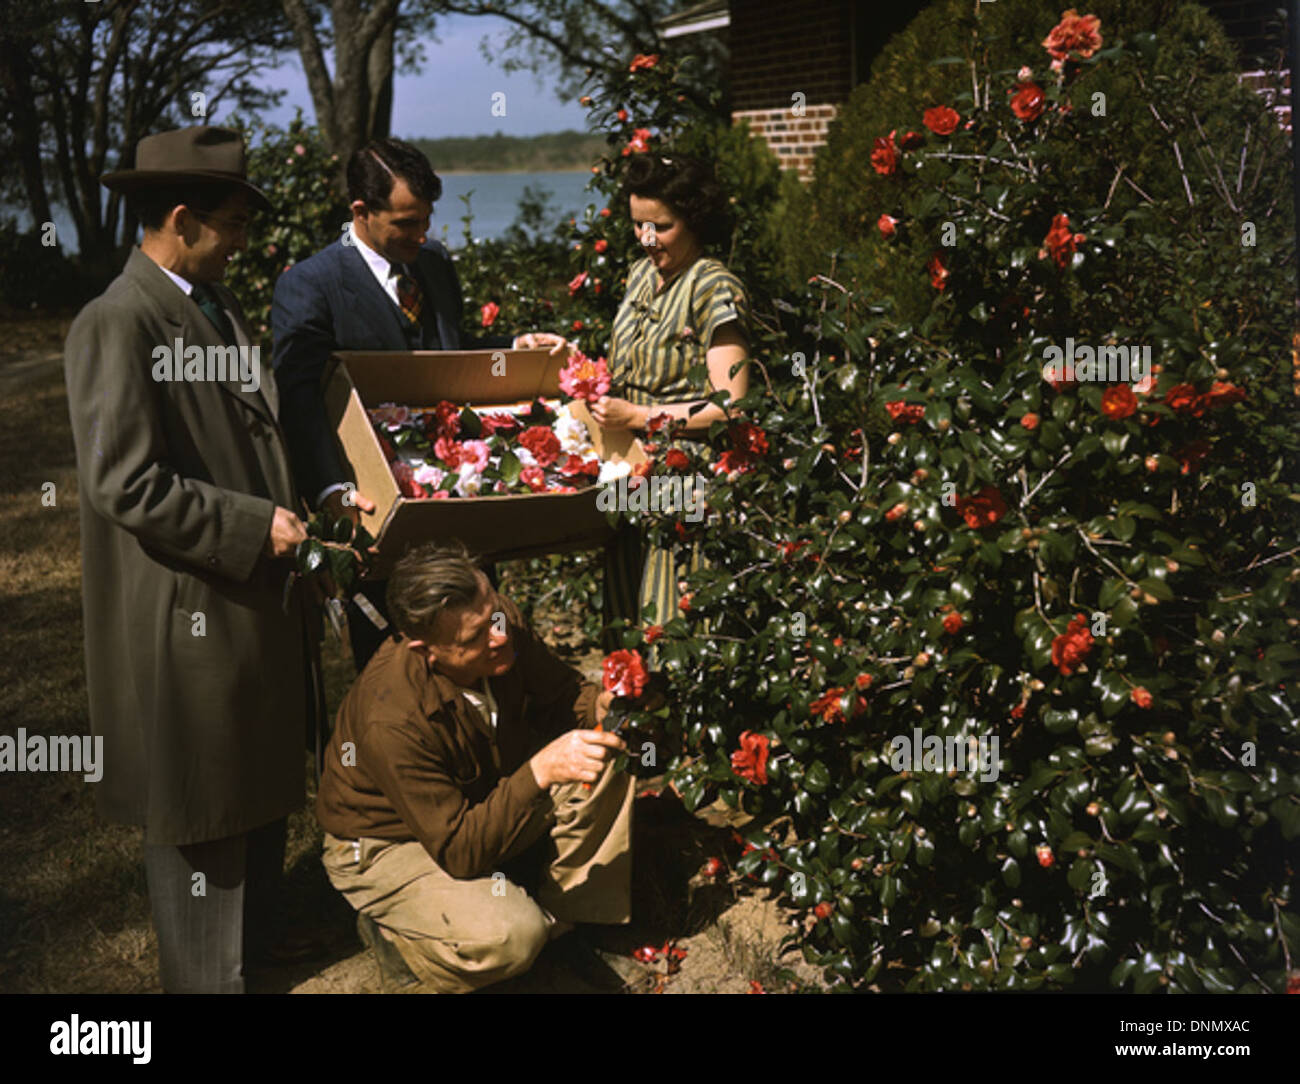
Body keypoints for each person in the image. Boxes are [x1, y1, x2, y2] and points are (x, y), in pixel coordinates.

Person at [63, 125, 323, 993]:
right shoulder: (117, 320)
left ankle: (254, 949)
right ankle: (210, 978)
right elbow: (125, 482)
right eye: (234, 223)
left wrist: (304, 507)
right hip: (186, 602)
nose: (244, 239)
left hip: (244, 592)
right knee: (201, 795)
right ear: (182, 219)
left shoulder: (213, 303)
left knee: (250, 774)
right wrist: (256, 527)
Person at [272, 137, 569, 673]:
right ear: (360, 211)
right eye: (406, 223)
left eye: (426, 220)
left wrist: (512, 351)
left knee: (482, 646)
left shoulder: (432, 263)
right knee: (398, 666)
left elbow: (455, 354)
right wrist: (333, 492)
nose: (421, 234)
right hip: (379, 514)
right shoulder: (310, 286)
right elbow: (299, 402)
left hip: (457, 508)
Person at [315, 540, 636, 992]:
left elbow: (565, 695)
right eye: (475, 638)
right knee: (510, 937)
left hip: (471, 802)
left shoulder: (494, 622)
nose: (499, 637)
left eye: (495, 618)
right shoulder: (390, 717)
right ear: (427, 651)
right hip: (387, 841)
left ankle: (570, 925)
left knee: (603, 757)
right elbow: (460, 851)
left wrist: (599, 704)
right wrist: (540, 771)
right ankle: (399, 939)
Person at [594, 153, 750, 646]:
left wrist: (640, 415)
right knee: (626, 612)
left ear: (694, 219)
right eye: (638, 225)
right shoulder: (641, 275)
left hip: (686, 476)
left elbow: (732, 406)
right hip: (628, 467)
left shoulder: (713, 287)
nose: (646, 239)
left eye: (660, 226)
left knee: (672, 620)